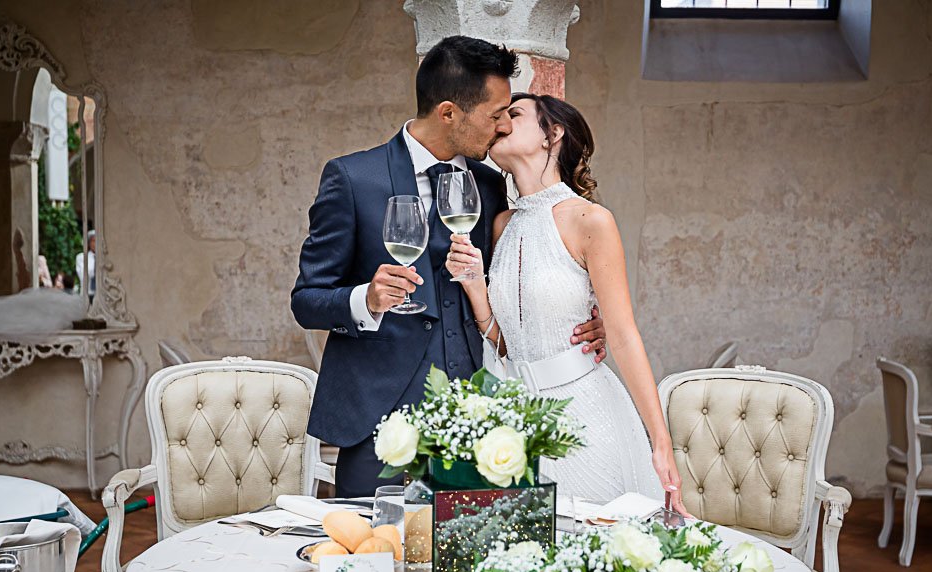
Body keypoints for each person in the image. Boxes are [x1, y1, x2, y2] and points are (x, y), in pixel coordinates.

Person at [291, 37, 608, 498]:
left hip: (478, 417)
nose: (503, 127)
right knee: (375, 553)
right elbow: (307, 300)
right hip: (380, 415)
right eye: (496, 114)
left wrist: (580, 326)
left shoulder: (489, 184)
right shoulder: (354, 179)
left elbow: (522, 284)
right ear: (448, 113)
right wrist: (367, 298)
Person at [445, 93, 689, 513]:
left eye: (515, 114)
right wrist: (475, 289)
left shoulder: (590, 221)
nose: (502, 122)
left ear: (552, 133)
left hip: (585, 416)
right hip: (513, 422)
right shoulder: (502, 225)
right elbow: (508, 345)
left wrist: (661, 443)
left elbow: (624, 336)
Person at [75, 229, 96, 298]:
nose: (95, 243)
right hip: (87, 293)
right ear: (89, 243)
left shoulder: (105, 258)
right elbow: (83, 276)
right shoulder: (81, 257)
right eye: (93, 241)